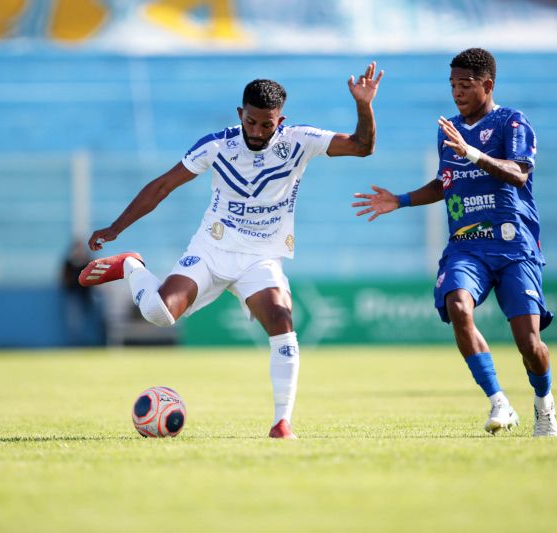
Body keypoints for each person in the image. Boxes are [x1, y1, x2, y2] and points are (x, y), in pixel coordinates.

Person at [79, 63, 384, 438]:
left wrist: (364, 105)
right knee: (158, 314)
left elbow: (362, 147)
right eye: (251, 122)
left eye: (266, 125)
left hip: (260, 257)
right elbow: (162, 186)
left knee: (281, 318)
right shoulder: (217, 145)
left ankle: (282, 422)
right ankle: (131, 265)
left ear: (280, 121)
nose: (256, 131)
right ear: (241, 113)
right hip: (212, 249)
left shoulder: (300, 141)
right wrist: (116, 228)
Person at [352, 48, 557, 437]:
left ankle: (544, 404)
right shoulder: (448, 130)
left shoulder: (511, 121)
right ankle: (499, 402)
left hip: (514, 246)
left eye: (465, 85)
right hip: (466, 245)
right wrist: (401, 200)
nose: (457, 92)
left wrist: (473, 153)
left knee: (530, 344)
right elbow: (446, 182)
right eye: (452, 85)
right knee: (458, 306)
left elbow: (518, 173)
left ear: (488, 85)